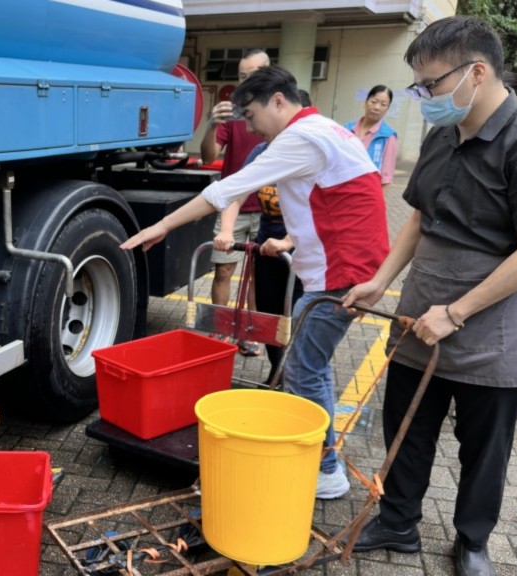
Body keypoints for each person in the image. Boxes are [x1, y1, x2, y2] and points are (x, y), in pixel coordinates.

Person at [342, 16, 517, 576]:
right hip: (421, 310)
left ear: (477, 71)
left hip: (493, 329)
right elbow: (419, 217)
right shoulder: (445, 134)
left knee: (484, 447)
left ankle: (472, 541)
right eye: (417, 87)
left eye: (431, 85)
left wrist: (457, 312)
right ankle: (398, 521)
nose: (424, 97)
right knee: (408, 425)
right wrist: (382, 279)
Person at [121, 66, 389, 500]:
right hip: (348, 265)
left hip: (340, 274)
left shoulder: (299, 137)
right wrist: (290, 239)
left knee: (304, 369)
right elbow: (332, 198)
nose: (247, 126)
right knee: (308, 365)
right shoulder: (325, 129)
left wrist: (163, 226)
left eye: (250, 115)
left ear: (278, 101)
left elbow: (224, 191)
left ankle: (325, 469)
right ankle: (321, 462)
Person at [201, 48, 269, 356]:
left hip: (270, 209)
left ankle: (249, 332)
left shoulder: (278, 113)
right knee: (224, 271)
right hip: (233, 208)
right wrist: (212, 124)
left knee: (257, 274)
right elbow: (207, 157)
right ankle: (221, 329)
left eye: (254, 75)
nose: (247, 82)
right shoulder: (233, 113)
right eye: (243, 76)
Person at [249, 90, 310, 386]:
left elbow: (313, 207)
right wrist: (224, 230)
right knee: (268, 317)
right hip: (266, 248)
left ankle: (295, 376)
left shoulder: (309, 153)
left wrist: (288, 241)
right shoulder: (261, 152)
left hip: (300, 253)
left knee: (294, 317)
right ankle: (277, 371)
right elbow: (235, 191)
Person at [345, 85, 397, 189]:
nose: (377, 107)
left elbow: (386, 177)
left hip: (367, 193)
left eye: (383, 104)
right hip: (343, 189)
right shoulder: (347, 129)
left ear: (387, 109)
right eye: (373, 102)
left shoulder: (388, 136)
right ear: (365, 102)